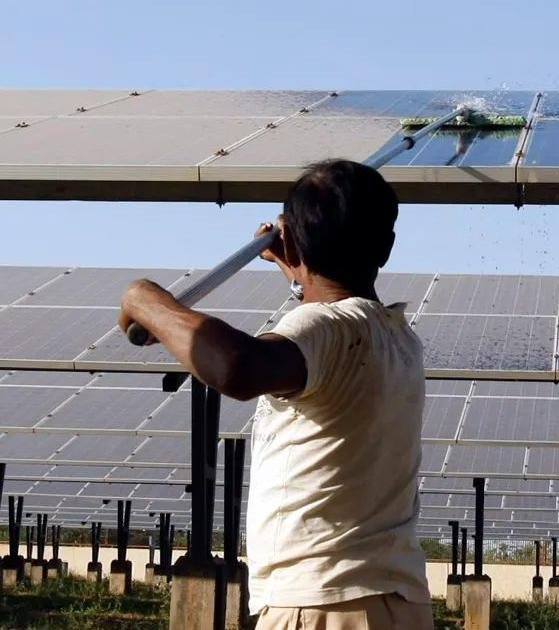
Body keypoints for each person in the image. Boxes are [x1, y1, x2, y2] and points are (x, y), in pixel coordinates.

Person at [118, 159, 433, 629]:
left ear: (295, 243)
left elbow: (238, 367)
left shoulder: (324, 330)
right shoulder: (398, 337)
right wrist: (299, 274)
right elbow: (332, 325)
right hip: (396, 602)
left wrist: (148, 301)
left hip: (321, 603)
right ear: (386, 248)